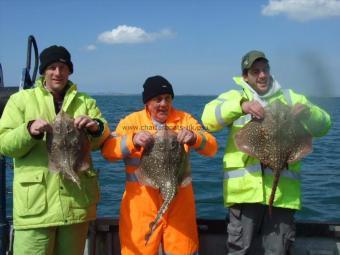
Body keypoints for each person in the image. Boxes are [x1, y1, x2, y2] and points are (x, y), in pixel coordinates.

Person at [201, 50, 331, 254]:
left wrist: (309, 113)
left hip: (282, 195)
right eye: (255, 71)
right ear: (245, 76)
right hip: (244, 194)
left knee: (277, 251)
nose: (262, 75)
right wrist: (241, 106)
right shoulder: (235, 96)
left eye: (265, 70)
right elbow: (208, 118)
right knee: (238, 249)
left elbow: (324, 125)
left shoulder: (291, 97)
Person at [0, 45, 109, 255]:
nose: (57, 73)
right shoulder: (20, 100)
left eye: (63, 67)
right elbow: (4, 144)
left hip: (76, 204)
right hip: (35, 209)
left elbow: (102, 140)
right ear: (43, 71)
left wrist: (95, 127)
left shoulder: (85, 101)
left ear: (70, 71)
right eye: (52, 67)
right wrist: (28, 131)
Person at [102, 75, 218, 255]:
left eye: (168, 98)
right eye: (158, 99)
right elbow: (109, 151)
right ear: (147, 102)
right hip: (141, 206)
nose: (164, 103)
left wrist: (195, 138)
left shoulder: (184, 120)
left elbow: (212, 147)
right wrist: (132, 140)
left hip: (179, 206)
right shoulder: (132, 122)